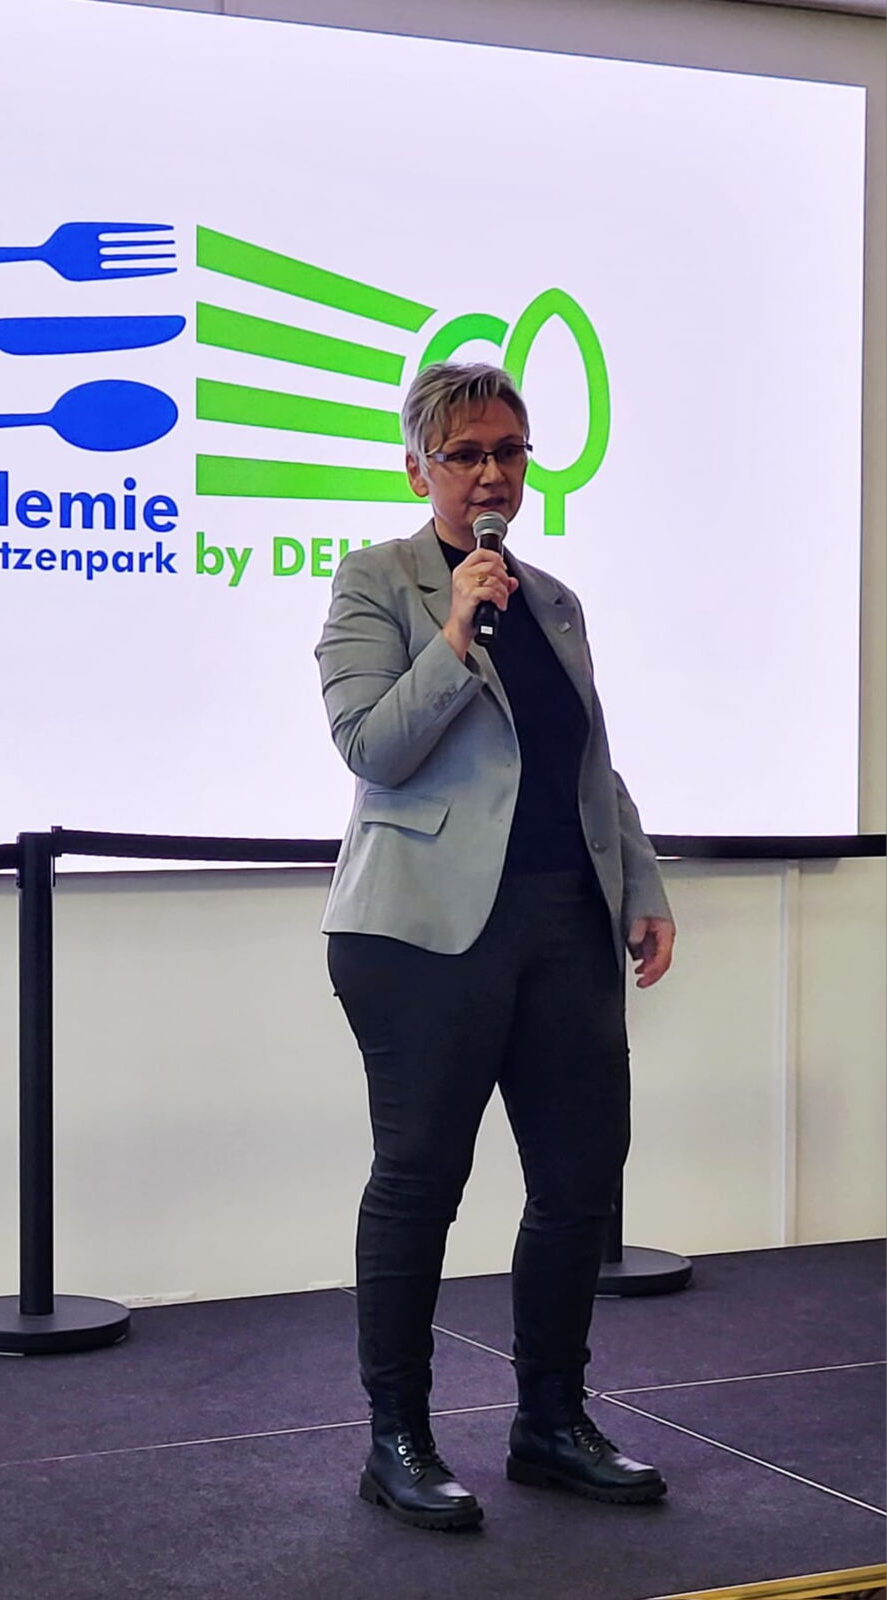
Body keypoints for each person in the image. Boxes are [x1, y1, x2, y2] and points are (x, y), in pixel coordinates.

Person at [316, 361, 676, 1532]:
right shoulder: (378, 582)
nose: (490, 474)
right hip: (420, 933)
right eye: (465, 454)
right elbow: (373, 746)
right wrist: (456, 630)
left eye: (508, 452)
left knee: (580, 1177)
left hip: (563, 921)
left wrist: (642, 882)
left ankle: (552, 1424)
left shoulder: (555, 599)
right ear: (418, 467)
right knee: (421, 1180)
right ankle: (398, 1439)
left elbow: (588, 760)